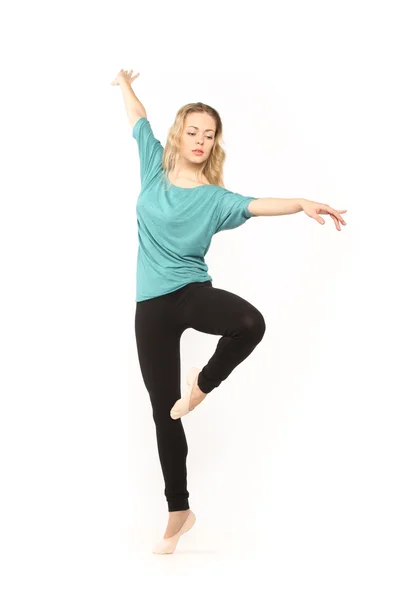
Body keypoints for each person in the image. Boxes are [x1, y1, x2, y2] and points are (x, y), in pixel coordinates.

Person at [111, 69, 347, 553]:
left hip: (190, 292)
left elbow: (258, 204)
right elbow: (138, 119)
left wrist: (301, 202)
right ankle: (179, 511)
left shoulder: (216, 199)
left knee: (248, 323)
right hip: (149, 306)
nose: (200, 140)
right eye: (193, 131)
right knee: (163, 413)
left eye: (209, 134)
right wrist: (123, 84)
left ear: (216, 143)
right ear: (180, 134)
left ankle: (202, 385)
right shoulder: (152, 166)